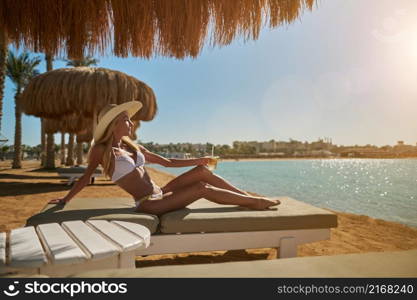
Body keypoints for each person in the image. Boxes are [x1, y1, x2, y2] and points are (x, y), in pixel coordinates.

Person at [49, 101, 280, 215]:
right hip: (149, 204)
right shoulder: (102, 150)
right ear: (114, 124)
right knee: (201, 187)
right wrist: (66, 199)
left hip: (161, 192)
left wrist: (198, 161)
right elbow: (85, 177)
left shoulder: (131, 147)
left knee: (202, 173)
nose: (131, 123)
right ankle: (256, 203)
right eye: (126, 120)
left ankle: (246, 197)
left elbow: (166, 163)